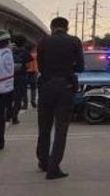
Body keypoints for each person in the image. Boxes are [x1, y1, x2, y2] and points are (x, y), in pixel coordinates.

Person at [36, 17, 84, 179]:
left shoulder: (43, 42)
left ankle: (43, 161)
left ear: (52, 27)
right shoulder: (74, 41)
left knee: (44, 126)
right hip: (65, 87)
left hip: (46, 86)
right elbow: (80, 67)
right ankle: (53, 167)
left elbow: (40, 67)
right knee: (61, 128)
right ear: (67, 27)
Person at [10, 35, 31, 123]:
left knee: (9, 97)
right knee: (18, 98)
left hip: (9, 77)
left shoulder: (10, 51)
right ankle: (15, 116)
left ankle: (7, 115)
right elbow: (28, 66)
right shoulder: (26, 53)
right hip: (21, 77)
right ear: (24, 43)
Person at [0, 30, 14, 150]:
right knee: (2, 114)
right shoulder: (8, 53)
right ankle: (1, 140)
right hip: (7, 88)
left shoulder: (1, 55)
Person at [23, 42, 38, 108]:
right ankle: (33, 101)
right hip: (34, 72)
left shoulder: (25, 55)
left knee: (24, 88)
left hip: (26, 72)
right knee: (33, 88)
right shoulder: (36, 55)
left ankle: (25, 103)